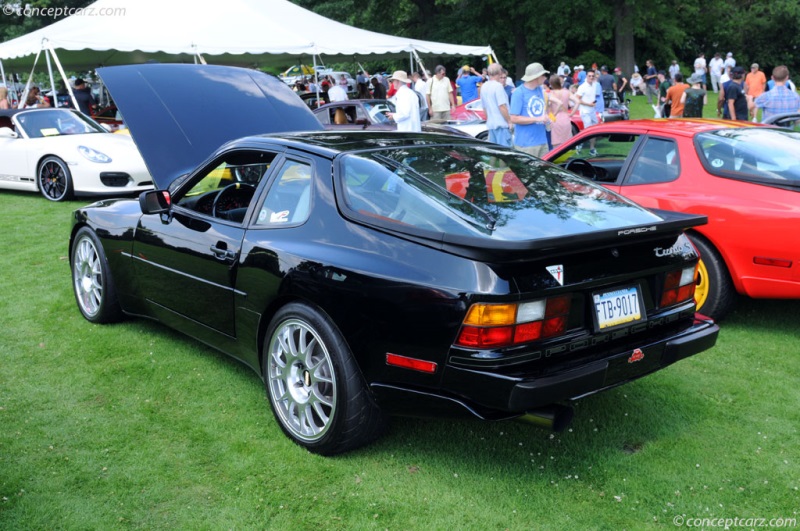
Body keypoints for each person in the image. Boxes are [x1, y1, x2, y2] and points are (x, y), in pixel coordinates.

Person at [509, 62, 551, 157]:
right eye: (543, 75)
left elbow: (542, 111)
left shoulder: (539, 89)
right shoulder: (519, 93)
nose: (545, 78)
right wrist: (538, 119)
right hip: (526, 145)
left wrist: (546, 118)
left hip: (542, 141)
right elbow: (514, 118)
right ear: (537, 77)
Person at [480, 63, 513, 147]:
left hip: (491, 125)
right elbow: (502, 106)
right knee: (506, 153)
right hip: (501, 125)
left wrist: (489, 120)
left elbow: (484, 107)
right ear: (499, 72)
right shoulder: (498, 86)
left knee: (494, 153)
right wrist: (509, 121)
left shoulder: (484, 86)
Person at [548, 74, 579, 148]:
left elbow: (548, 107)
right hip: (566, 118)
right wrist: (571, 113)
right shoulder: (567, 92)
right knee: (567, 143)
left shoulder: (551, 93)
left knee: (556, 144)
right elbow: (577, 102)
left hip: (555, 118)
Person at [576, 68, 600, 155]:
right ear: (586, 76)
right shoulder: (582, 87)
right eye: (589, 76)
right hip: (585, 111)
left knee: (594, 130)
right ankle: (579, 144)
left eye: (592, 76)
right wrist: (588, 104)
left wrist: (592, 104)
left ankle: (592, 149)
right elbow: (577, 99)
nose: (591, 77)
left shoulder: (594, 84)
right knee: (588, 131)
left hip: (592, 111)